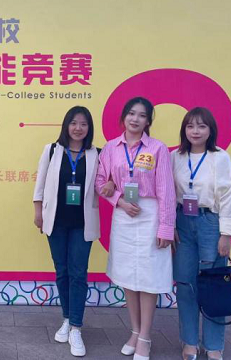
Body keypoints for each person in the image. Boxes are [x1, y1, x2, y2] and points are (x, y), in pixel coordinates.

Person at [96, 97, 176, 360]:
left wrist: (166, 227)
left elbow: (166, 190)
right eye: (131, 114)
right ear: (123, 117)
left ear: (148, 121)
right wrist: (118, 200)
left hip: (150, 214)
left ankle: (145, 337)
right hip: (124, 216)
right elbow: (100, 181)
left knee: (148, 278)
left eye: (142, 115)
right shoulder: (111, 148)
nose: (135, 119)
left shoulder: (157, 148)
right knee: (128, 276)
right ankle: (134, 331)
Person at [33, 106, 112, 357]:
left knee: (78, 273)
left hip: (82, 223)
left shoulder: (98, 154)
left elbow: (107, 181)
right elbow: (40, 184)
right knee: (62, 271)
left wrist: (111, 183)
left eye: (83, 124)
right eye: (74, 123)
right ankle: (67, 318)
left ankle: (76, 327)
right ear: (66, 125)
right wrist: (38, 211)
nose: (78, 128)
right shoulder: (52, 150)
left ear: (89, 128)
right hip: (55, 221)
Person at [171, 107, 231, 360]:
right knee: (185, 285)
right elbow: (167, 192)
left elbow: (229, 196)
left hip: (210, 223)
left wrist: (226, 234)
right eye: (190, 126)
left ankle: (214, 345)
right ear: (184, 129)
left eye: (201, 126)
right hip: (182, 222)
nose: (195, 131)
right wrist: (170, 225)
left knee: (214, 284)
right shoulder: (175, 157)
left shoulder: (220, 157)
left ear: (210, 130)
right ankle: (189, 342)